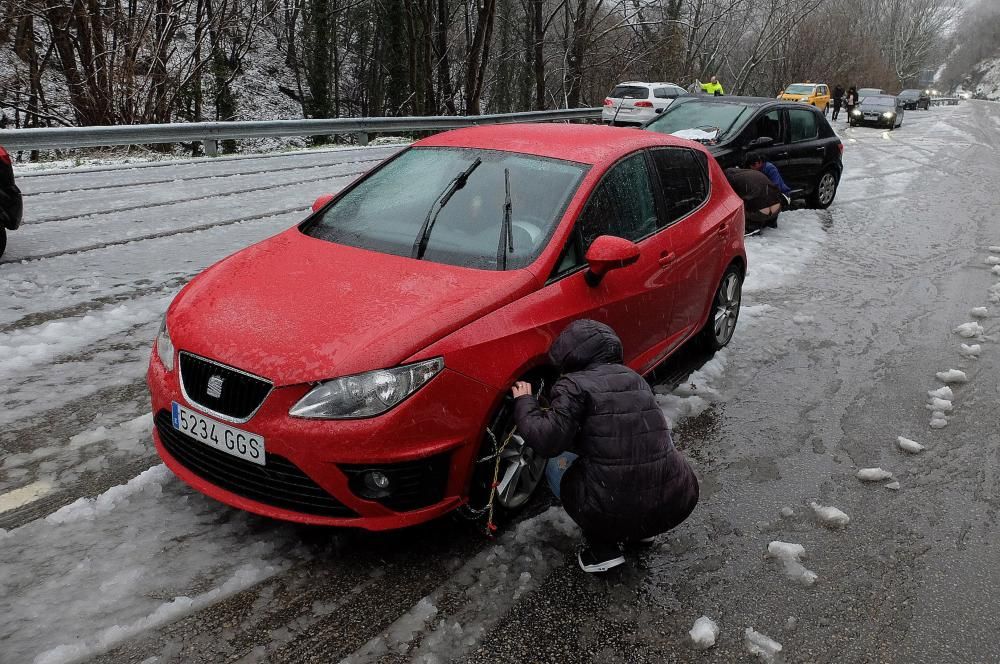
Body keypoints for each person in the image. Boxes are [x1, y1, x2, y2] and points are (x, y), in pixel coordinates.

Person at [510, 319, 699, 573]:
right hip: (673, 501)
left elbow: (547, 440)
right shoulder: (634, 378)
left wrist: (525, 402)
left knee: (558, 463)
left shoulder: (574, 384)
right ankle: (640, 532)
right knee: (634, 453)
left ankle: (602, 551)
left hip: (613, 506)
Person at [724, 166, 782, 231]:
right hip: (776, 208)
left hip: (759, 213)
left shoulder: (730, 179)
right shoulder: (752, 173)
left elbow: (731, 202)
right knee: (770, 231)